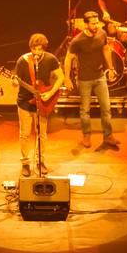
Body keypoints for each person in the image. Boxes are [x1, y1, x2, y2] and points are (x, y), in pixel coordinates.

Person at [64, 11, 120, 149]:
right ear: (85, 24)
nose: (96, 26)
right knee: (85, 110)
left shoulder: (102, 33)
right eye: (93, 23)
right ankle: (86, 136)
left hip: (100, 77)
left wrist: (111, 69)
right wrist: (66, 78)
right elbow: (68, 58)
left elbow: (106, 49)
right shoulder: (78, 40)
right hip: (84, 79)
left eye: (97, 23)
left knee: (106, 108)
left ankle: (108, 136)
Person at [13, 33, 65, 177]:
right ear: (30, 48)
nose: (36, 53)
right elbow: (15, 80)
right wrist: (14, 82)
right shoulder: (22, 61)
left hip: (43, 102)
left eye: (39, 50)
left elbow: (61, 77)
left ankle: (40, 161)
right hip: (24, 102)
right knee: (24, 134)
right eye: (34, 49)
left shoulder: (51, 59)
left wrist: (50, 93)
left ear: (44, 48)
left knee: (42, 135)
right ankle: (25, 163)